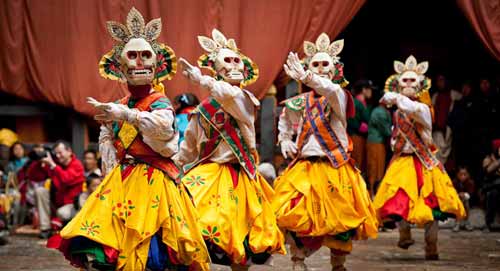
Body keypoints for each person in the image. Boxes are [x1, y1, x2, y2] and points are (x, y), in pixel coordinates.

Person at [47, 8, 209, 271]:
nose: (139, 63)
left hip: (156, 181)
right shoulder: (117, 106)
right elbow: (107, 144)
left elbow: (165, 131)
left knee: (155, 249)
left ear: (157, 65)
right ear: (119, 67)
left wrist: (127, 115)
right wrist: (109, 172)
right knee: (114, 243)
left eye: (145, 56)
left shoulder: (159, 101)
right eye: (131, 56)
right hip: (122, 182)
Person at [174, 29, 285, 270]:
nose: (235, 65)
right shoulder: (201, 112)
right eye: (228, 60)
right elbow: (189, 149)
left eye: (237, 60)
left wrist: (202, 80)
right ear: (216, 68)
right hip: (210, 175)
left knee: (242, 239)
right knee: (193, 223)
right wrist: (172, 165)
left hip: (241, 176)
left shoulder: (244, 100)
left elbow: (229, 96)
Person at [272, 34, 378, 271]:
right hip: (304, 168)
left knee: (340, 220)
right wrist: (285, 140)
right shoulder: (299, 102)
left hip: (335, 167)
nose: (319, 69)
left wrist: (307, 77)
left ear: (334, 69)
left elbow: (329, 90)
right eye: (314, 65)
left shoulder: (338, 96)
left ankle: (338, 265)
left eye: (324, 64)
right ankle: (298, 261)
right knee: (295, 213)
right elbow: (285, 121)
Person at [373, 55, 465, 260]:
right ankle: (404, 234)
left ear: (421, 85)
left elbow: (411, 109)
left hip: (423, 161)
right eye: (403, 80)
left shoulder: (423, 108)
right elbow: (394, 132)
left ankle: (431, 246)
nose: (407, 84)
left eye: (412, 80)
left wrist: (395, 97)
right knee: (399, 200)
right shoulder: (397, 112)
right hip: (402, 161)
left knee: (431, 205)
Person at [35, 141, 85, 239]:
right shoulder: (55, 163)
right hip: (56, 203)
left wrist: (53, 166)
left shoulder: (77, 165)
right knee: (40, 191)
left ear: (69, 151)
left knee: (62, 213)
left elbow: (66, 179)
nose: (58, 156)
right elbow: (34, 176)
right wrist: (39, 161)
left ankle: (68, 226)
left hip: (71, 205)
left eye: (60, 152)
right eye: (56, 153)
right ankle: (45, 229)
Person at [366, 101, 392, 197]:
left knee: (375, 167)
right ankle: (373, 192)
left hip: (375, 142)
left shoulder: (378, 110)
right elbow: (386, 131)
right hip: (376, 142)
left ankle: (373, 191)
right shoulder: (381, 112)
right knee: (375, 168)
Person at [347, 80, 372, 172]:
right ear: (363, 90)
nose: (371, 92)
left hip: (360, 137)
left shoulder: (361, 103)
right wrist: (360, 127)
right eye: (369, 89)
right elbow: (350, 120)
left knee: (361, 162)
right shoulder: (355, 103)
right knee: (357, 162)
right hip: (355, 136)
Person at [482, 139, 500, 231]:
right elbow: (488, 170)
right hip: (491, 186)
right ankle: (488, 223)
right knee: (492, 195)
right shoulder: (488, 159)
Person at [452, 166, 475, 231]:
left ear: (468, 175)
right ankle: (457, 222)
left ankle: (466, 221)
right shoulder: (454, 182)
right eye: (461, 174)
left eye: (465, 174)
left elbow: (471, 194)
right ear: (457, 175)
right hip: (457, 201)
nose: (463, 176)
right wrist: (458, 195)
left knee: (465, 201)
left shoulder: (470, 182)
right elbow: (452, 192)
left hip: (468, 201)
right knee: (460, 202)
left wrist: (464, 195)